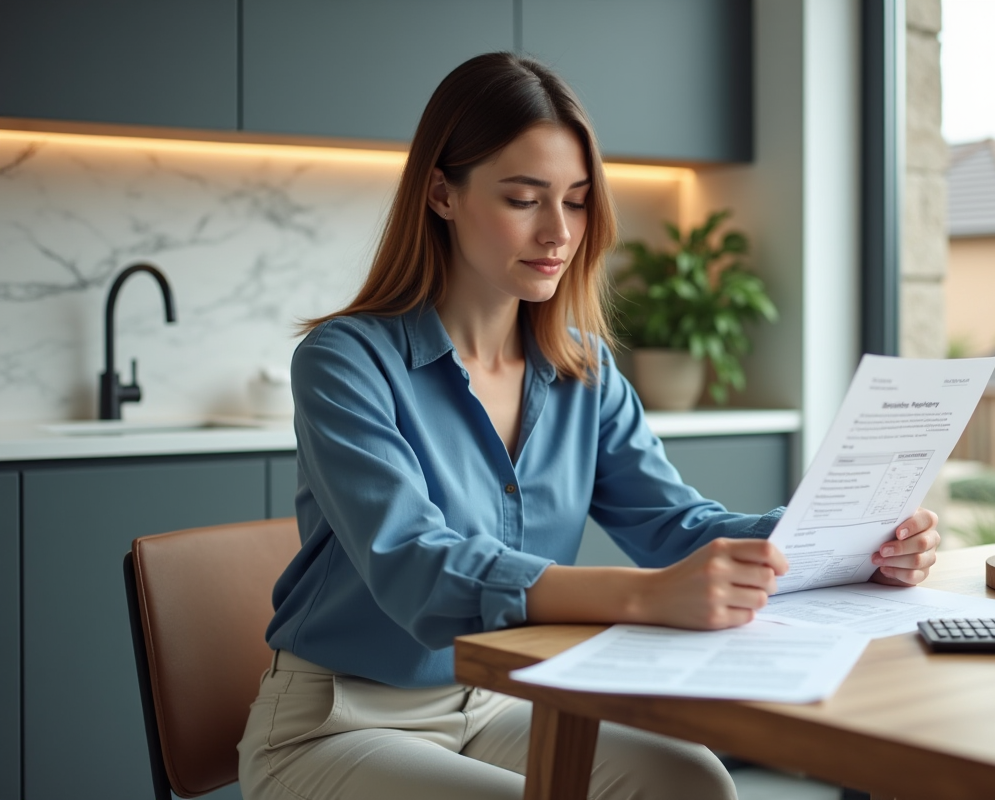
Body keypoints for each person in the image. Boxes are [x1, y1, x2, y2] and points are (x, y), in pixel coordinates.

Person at [237, 51, 941, 800]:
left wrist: (843, 541)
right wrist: (643, 596)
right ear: (442, 193)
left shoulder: (584, 369)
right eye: (523, 199)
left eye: (575, 201)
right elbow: (415, 566)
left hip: (509, 697)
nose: (557, 232)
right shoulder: (345, 360)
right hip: (344, 719)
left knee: (693, 782)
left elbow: (675, 524)